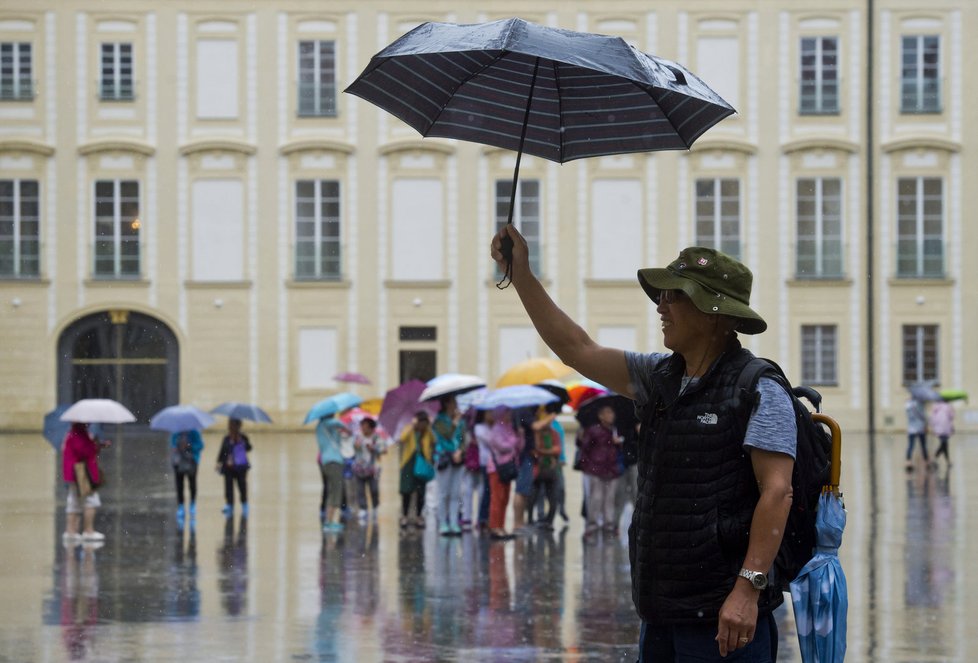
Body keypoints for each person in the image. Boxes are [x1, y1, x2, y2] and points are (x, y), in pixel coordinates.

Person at [491, 226, 796, 661]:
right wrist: (520, 274)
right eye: (662, 296)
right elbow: (574, 347)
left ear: (714, 312)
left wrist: (748, 589)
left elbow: (778, 491)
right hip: (660, 609)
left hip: (724, 619)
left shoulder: (759, 389)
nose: (661, 306)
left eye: (674, 296)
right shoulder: (658, 377)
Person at [577, 404, 624, 536]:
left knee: (609, 499)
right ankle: (592, 525)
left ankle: (608, 525)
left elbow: (618, 450)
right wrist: (587, 465)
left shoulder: (615, 430)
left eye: (612, 413)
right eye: (607, 413)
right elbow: (585, 448)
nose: (611, 416)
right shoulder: (594, 430)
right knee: (596, 498)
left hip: (611, 469)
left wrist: (618, 442)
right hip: (596, 469)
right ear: (601, 416)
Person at [62, 422, 111, 543]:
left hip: (74, 472)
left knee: (74, 501)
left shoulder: (72, 434)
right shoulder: (79, 434)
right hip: (81, 472)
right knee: (91, 501)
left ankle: (71, 531)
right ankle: (88, 531)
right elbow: (85, 452)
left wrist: (98, 445)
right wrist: (94, 444)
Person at [486, 406, 524, 541]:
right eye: (507, 413)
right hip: (497, 468)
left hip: (508, 467)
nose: (509, 415)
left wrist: (520, 436)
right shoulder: (496, 429)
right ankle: (495, 526)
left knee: (504, 499)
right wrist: (514, 441)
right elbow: (502, 446)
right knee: (497, 498)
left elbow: (518, 447)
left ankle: (501, 526)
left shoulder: (509, 428)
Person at [433, 395, 466, 536]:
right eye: (453, 402)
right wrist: (454, 422)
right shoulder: (438, 420)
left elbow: (462, 439)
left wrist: (460, 450)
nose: (455, 405)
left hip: (457, 459)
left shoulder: (461, 422)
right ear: (446, 404)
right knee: (443, 493)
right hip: (444, 458)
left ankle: (453, 522)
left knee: (455, 493)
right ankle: (443, 523)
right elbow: (446, 434)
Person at [398, 411, 435, 529]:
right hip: (409, 463)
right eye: (421, 422)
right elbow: (402, 439)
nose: (422, 425)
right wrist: (412, 426)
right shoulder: (409, 429)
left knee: (421, 492)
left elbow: (434, 441)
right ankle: (404, 515)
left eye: (425, 423)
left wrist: (429, 428)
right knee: (406, 491)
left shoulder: (428, 432)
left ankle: (419, 516)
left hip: (422, 464)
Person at [529, 405, 562, 530]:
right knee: (532, 497)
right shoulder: (536, 433)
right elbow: (535, 449)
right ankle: (530, 520)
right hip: (538, 469)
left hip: (550, 470)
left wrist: (543, 451)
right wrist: (547, 451)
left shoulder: (554, 433)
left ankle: (549, 521)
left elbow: (557, 450)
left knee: (553, 498)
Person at [317, 414, 350, 532]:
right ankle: (329, 522)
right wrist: (345, 427)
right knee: (336, 491)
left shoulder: (324, 429)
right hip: (333, 462)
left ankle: (330, 521)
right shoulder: (326, 424)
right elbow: (336, 423)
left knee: (332, 491)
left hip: (327, 461)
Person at [351, 417, 385, 521]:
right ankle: (363, 508)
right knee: (360, 490)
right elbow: (351, 449)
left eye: (365, 427)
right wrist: (355, 447)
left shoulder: (376, 438)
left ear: (371, 428)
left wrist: (374, 449)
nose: (363, 429)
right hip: (359, 468)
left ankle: (375, 507)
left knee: (374, 489)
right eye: (362, 426)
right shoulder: (357, 437)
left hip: (372, 469)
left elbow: (384, 450)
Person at [216, 418, 251, 518]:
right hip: (228, 467)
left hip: (240, 467)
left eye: (232, 425)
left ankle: (244, 504)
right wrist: (219, 462)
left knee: (242, 486)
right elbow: (223, 451)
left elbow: (249, 448)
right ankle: (229, 505)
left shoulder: (243, 437)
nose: (230, 427)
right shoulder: (227, 438)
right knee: (228, 487)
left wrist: (242, 442)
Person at [170, 429, 204, 524]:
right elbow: (172, 443)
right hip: (179, 462)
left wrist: (189, 446)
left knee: (192, 483)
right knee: (179, 484)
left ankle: (192, 504)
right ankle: (181, 505)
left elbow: (200, 445)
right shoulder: (176, 432)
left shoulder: (194, 432)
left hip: (191, 461)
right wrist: (176, 447)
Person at [928, 397, 954, 468]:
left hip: (938, 428)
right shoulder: (948, 407)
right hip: (946, 428)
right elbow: (951, 416)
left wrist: (932, 427)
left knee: (944, 444)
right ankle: (936, 457)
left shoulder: (935, 407)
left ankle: (947, 461)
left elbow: (932, 417)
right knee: (944, 444)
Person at [905, 397, 929, 471]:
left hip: (911, 428)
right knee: (923, 445)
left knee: (911, 445)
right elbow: (923, 416)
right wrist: (926, 425)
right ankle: (926, 462)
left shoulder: (908, 404)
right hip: (920, 427)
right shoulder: (920, 404)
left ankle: (908, 462)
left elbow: (908, 415)